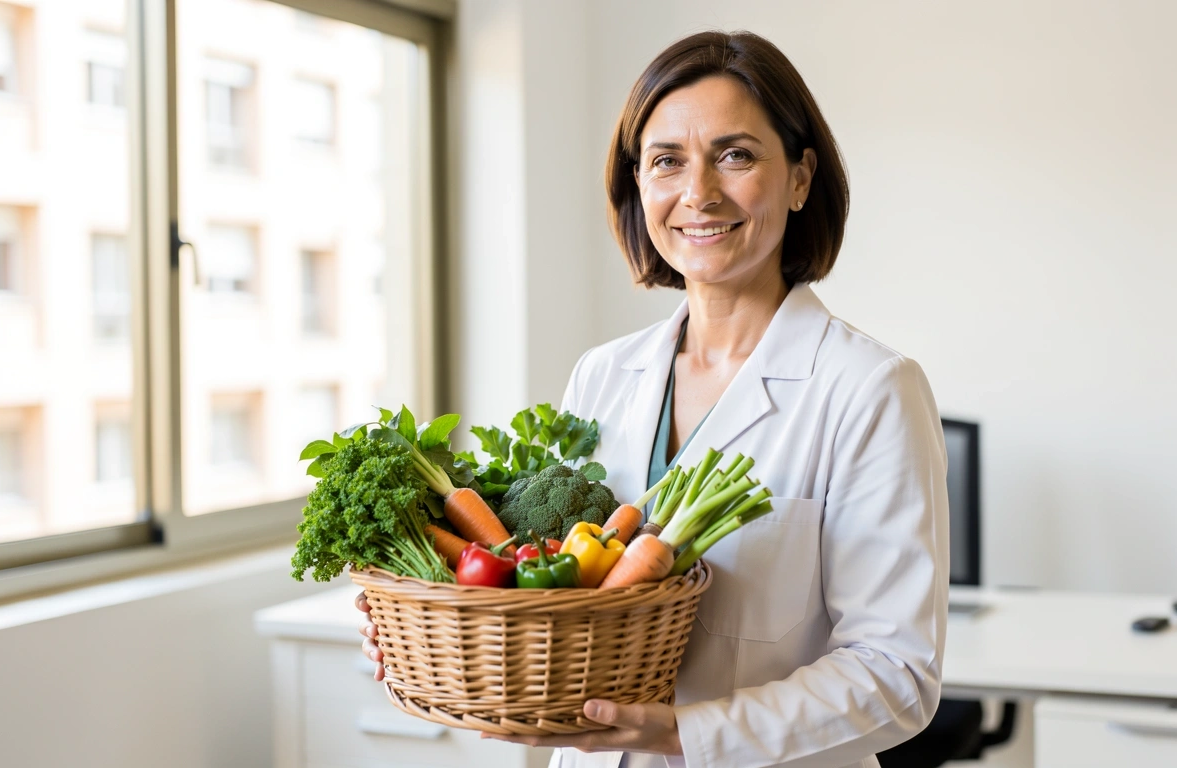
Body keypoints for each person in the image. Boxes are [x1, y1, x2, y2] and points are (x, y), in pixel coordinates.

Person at [357, 30, 948, 768]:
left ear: (800, 178)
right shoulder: (603, 375)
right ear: (638, 185)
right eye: (666, 161)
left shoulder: (869, 389)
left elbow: (897, 677)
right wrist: (443, 631)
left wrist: (683, 735)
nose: (698, 192)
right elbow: (548, 591)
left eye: (735, 155)